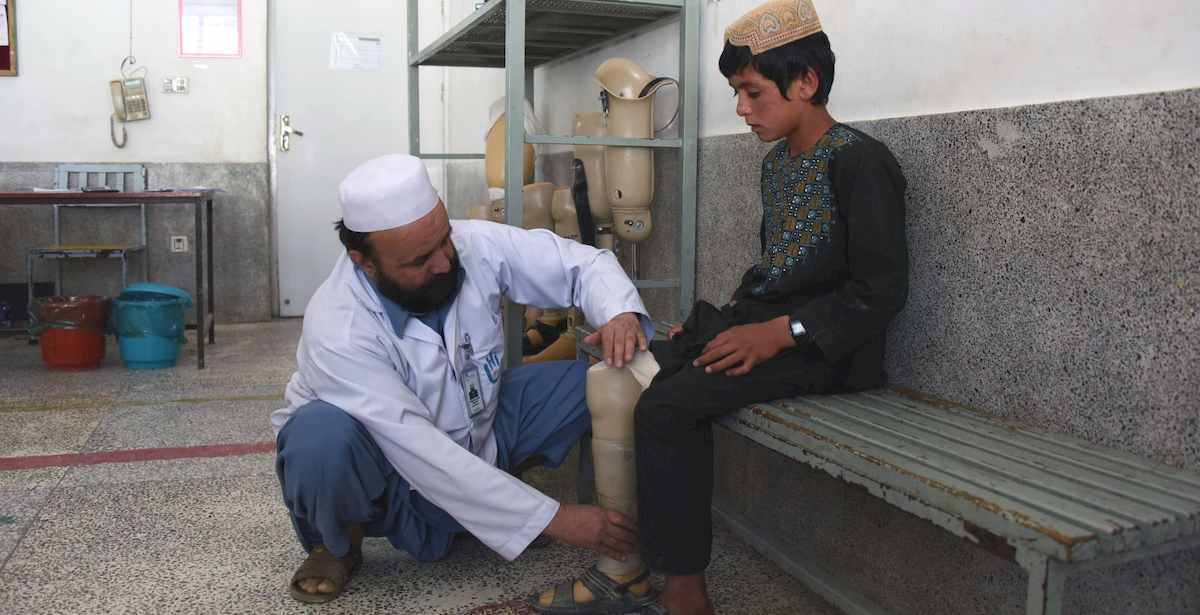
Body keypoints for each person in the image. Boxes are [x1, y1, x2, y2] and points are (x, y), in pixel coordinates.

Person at [533, 1, 909, 613]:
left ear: (807, 83)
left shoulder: (861, 162)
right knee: (623, 370)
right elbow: (779, 269)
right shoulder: (777, 163)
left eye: (753, 92)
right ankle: (622, 568)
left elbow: (880, 292)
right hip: (769, 331)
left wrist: (781, 333)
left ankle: (685, 590)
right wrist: (722, 322)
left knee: (668, 408)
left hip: (831, 352)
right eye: (738, 91)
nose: (741, 108)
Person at [270, 154, 654, 604]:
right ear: (365, 262)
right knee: (319, 435)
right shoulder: (338, 326)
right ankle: (335, 542)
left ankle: (493, 504)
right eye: (420, 260)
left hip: (481, 420)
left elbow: (579, 264)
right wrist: (556, 518)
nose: (443, 263)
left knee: (597, 384)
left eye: (443, 242)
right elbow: (419, 450)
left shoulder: (470, 244)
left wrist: (619, 312)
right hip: (391, 463)